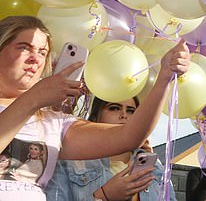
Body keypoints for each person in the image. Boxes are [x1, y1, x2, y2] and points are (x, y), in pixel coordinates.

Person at [0, 15, 190, 200]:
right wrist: (34, 98)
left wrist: (164, 77)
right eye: (24, 48)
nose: (35, 59)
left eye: (42, 52)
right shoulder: (35, 101)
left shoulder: (53, 122)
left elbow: (129, 136)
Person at [45, 96, 175, 200]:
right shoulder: (69, 163)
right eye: (114, 108)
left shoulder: (155, 167)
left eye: (131, 111)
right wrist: (103, 196)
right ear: (96, 117)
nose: (124, 115)